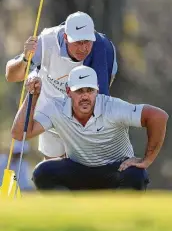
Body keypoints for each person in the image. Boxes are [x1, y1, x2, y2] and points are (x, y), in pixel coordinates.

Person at [11, 66, 168, 191]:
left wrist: (146, 160)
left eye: (89, 90)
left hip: (116, 170)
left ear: (97, 90)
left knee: (137, 175)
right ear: (68, 91)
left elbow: (158, 116)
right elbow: (20, 134)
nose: (85, 96)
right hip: (79, 170)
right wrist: (32, 96)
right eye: (79, 91)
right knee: (42, 172)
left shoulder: (113, 107)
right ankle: (70, 216)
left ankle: (118, 218)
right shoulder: (56, 108)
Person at [6, 11, 117, 160]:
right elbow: (11, 76)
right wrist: (26, 59)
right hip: (50, 107)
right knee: (51, 170)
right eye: (78, 42)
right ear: (65, 37)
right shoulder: (46, 41)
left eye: (87, 41)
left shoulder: (103, 50)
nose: (83, 48)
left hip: (81, 118)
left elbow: (102, 99)